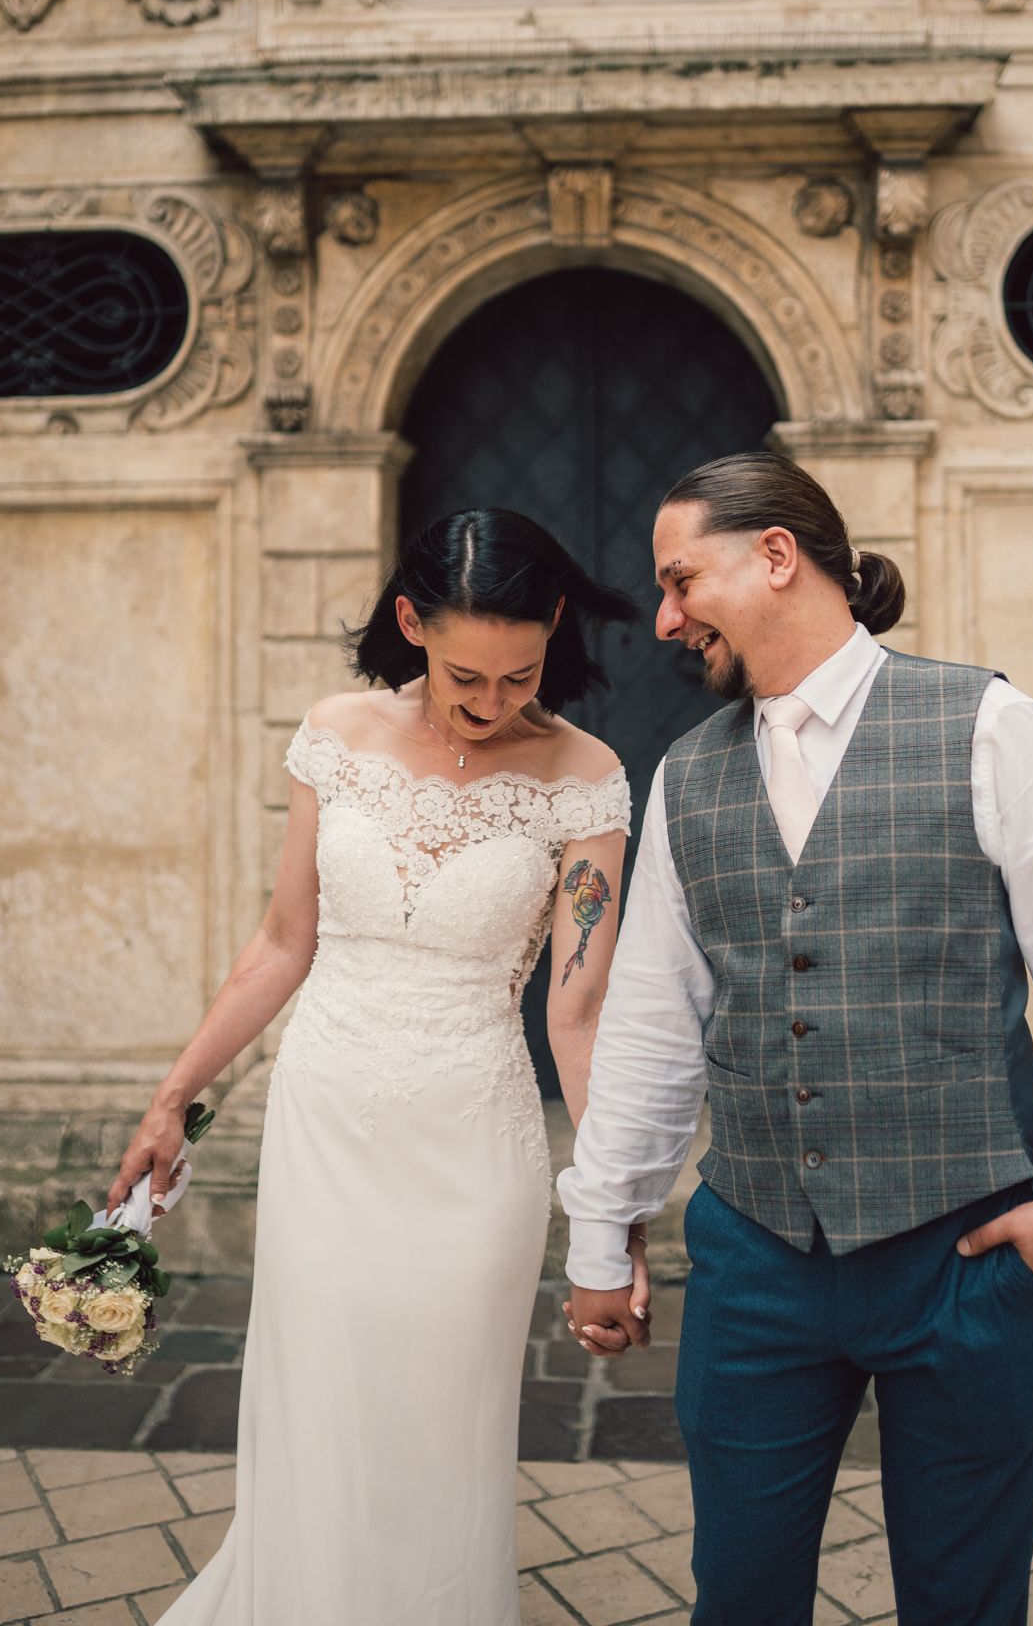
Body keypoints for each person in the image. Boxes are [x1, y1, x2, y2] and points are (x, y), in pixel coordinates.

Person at [558, 450, 1033, 1626]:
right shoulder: (687, 775)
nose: (664, 616)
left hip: (966, 1252)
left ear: (777, 555)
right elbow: (651, 1026)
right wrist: (602, 1226)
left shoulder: (989, 723)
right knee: (736, 1593)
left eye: (682, 580)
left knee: (961, 1596)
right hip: (754, 1258)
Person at [108, 508, 648, 1626]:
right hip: (328, 1123)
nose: (489, 702)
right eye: (463, 673)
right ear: (409, 622)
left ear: (553, 629)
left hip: (472, 1142)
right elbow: (279, 943)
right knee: (324, 1406)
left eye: (518, 674)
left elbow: (580, 1010)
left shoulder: (586, 778)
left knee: (441, 1419)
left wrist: (612, 1213)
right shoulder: (335, 733)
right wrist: (173, 1099)